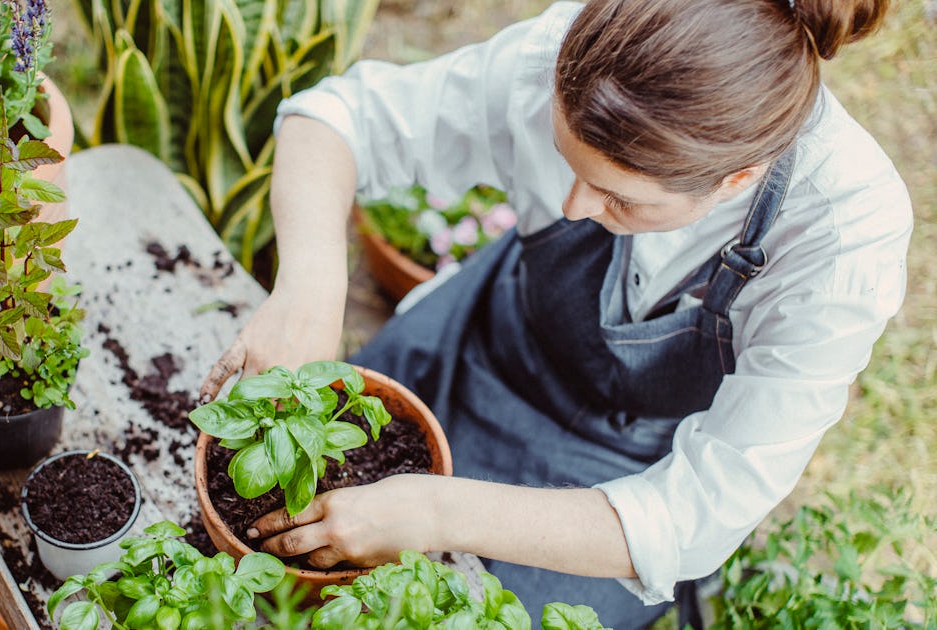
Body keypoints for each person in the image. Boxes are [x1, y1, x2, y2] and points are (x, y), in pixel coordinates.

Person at [198, 0, 909, 626]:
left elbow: (693, 517)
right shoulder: (578, 56)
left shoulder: (841, 235)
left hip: (621, 477)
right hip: (491, 337)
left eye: (617, 198)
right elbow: (336, 120)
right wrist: (309, 289)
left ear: (738, 181)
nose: (573, 208)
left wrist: (435, 511)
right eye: (565, 163)